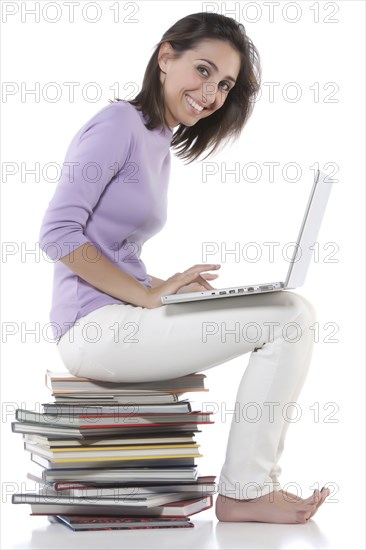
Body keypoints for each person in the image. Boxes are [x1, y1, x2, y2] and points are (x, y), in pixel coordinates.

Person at [39, 12, 330, 523]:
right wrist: (148, 297)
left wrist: (165, 287)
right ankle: (246, 492)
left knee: (289, 310)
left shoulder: (158, 141)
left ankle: (248, 489)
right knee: (289, 314)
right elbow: (58, 235)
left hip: (118, 319)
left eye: (224, 84)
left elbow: (109, 249)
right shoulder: (118, 123)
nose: (212, 93)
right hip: (93, 330)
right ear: (165, 56)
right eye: (202, 70)